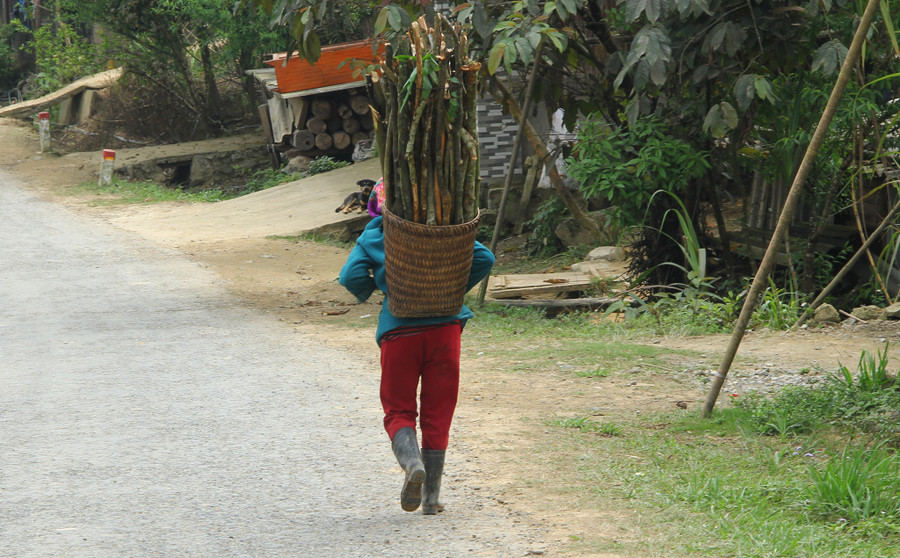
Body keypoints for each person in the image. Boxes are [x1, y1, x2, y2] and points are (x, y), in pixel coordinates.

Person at [339, 184, 494, 514]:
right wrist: (451, 289)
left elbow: (351, 276)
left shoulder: (375, 234)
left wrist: (382, 290)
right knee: (439, 412)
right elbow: (484, 257)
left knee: (399, 410)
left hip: (400, 334)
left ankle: (412, 464)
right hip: (445, 331)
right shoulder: (443, 232)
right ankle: (431, 498)